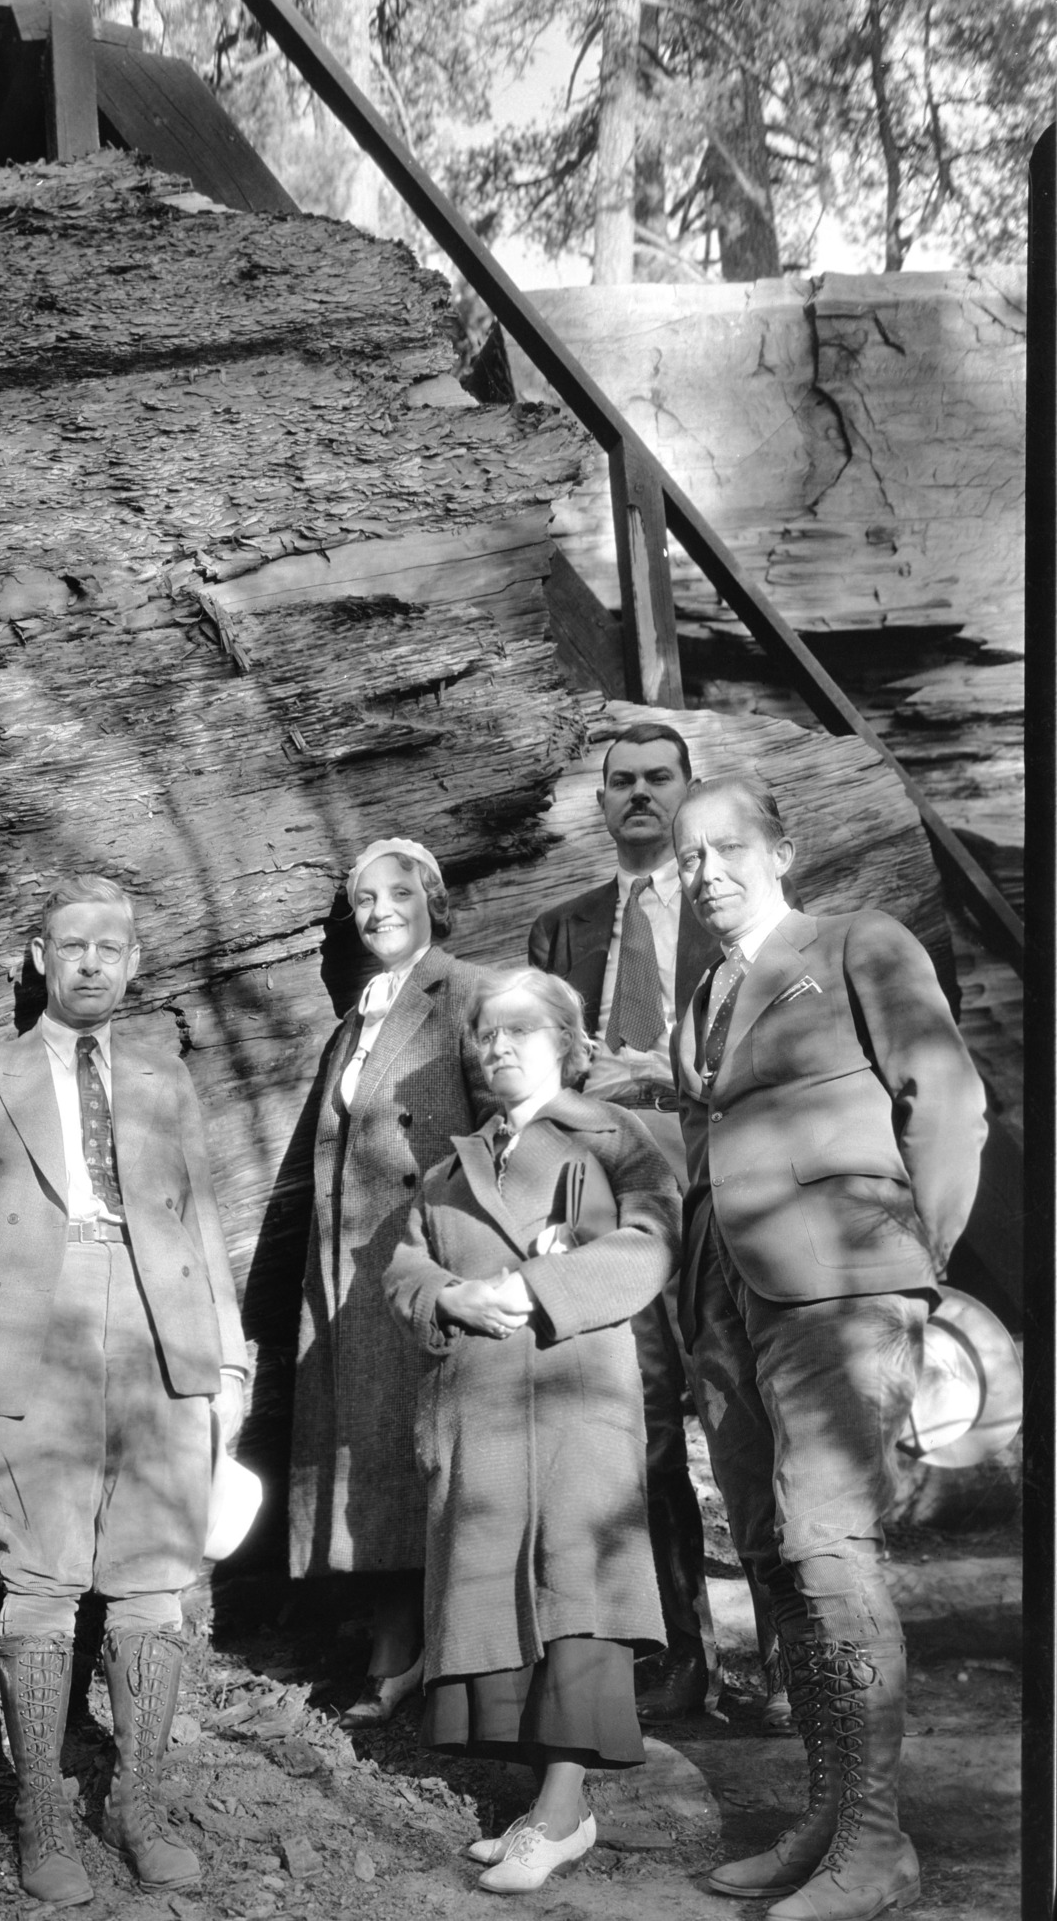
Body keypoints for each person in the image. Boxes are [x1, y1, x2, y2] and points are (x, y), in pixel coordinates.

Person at [671, 778, 985, 1919]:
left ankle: (873, 1842)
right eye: (686, 856)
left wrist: (908, 1258)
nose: (705, 870)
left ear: (781, 850)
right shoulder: (702, 989)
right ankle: (826, 1810)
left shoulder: (855, 941)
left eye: (726, 847)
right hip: (728, 1304)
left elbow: (944, 1098)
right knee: (767, 1552)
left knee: (826, 1541)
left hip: (842, 1289)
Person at [0, 875, 248, 1908]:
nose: (91, 959)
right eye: (72, 944)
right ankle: (43, 1818)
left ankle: (141, 1806)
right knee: (42, 1582)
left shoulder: (162, 1080)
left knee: (151, 1582)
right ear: (37, 956)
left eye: (111, 944)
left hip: (161, 1333)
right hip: (34, 1335)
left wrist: (226, 1362)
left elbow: (198, 1223)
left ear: (135, 960)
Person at [385, 969, 680, 1895]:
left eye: (520, 1030)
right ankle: (546, 1802)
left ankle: (560, 1810)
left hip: (575, 1397)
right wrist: (448, 1294)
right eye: (486, 1034)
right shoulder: (446, 1166)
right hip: (474, 1408)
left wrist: (537, 1289)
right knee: (491, 1591)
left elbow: (650, 1244)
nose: (499, 1047)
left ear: (567, 1040)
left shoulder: (614, 1136)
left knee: (576, 1589)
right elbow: (402, 1266)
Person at [528, 723, 791, 1727]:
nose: (637, 795)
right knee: (634, 1437)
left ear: (687, 792)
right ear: (599, 802)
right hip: (617, 1214)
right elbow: (539, 1093)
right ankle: (684, 1658)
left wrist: (650, 1071)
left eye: (657, 780)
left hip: (724, 1200)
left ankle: (782, 1667)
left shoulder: (733, 914)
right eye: (618, 783)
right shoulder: (562, 927)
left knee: (741, 1427)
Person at [288, 838, 484, 1725]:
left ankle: (444, 1654)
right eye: (362, 899)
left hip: (425, 1256)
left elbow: (509, 1121)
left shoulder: (468, 991)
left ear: (433, 899)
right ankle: (394, 1636)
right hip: (347, 1266)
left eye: (398, 892)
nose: (379, 911)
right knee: (370, 1451)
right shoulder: (355, 1017)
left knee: (429, 1447)